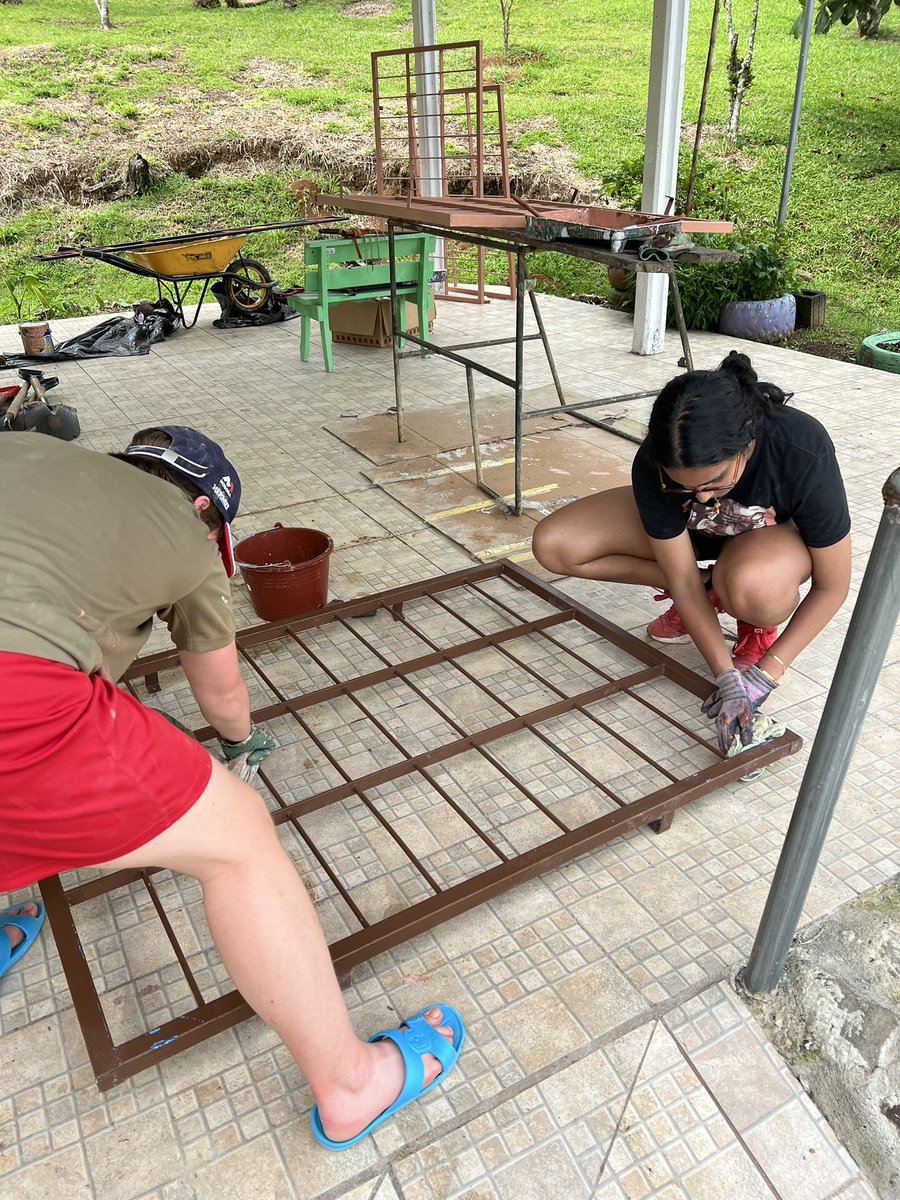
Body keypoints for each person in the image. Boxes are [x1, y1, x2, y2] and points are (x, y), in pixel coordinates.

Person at [0, 426, 463, 1151]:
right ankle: (350, 1086)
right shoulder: (185, 542)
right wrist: (241, 744)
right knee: (241, 837)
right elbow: (220, 690)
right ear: (206, 514)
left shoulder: (29, 446)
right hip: (13, 693)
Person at [532, 351, 851, 752]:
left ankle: (745, 609)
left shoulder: (801, 447)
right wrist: (726, 678)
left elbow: (833, 586)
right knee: (555, 545)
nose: (700, 495)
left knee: (755, 587)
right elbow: (680, 580)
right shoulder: (658, 458)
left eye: (714, 481)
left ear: (746, 443)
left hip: (766, 540)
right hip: (695, 537)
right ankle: (714, 588)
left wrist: (765, 675)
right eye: (681, 485)